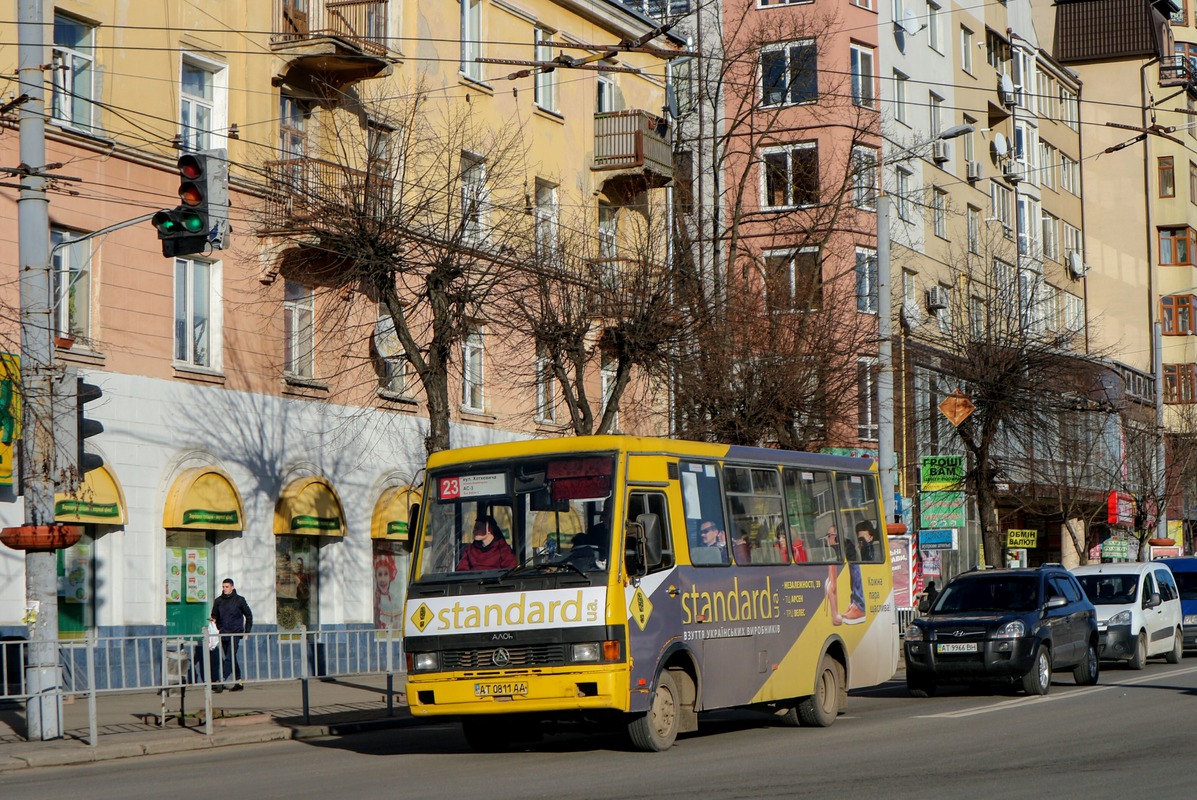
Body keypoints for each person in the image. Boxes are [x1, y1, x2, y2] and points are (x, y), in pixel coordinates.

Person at [210, 578, 252, 691]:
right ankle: (239, 682)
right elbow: (214, 615)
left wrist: (247, 631)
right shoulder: (218, 601)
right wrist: (213, 620)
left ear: (232, 587)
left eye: (227, 587)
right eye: (223, 587)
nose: (224, 589)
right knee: (232, 658)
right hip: (223, 633)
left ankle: (222, 680)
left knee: (229, 657)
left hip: (235, 633)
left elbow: (248, 615)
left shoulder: (239, 600)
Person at [374, 553, 403, 629]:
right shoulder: (374, 599)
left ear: (390, 576)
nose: (383, 579)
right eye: (380, 574)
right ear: (376, 577)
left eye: (386, 574)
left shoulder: (394, 598)